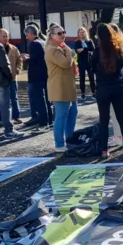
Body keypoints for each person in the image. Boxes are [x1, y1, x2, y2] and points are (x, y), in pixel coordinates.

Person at [92, 23, 123, 157]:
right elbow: (121, 65)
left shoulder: (97, 51)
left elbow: (91, 67)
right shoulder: (117, 50)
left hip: (102, 88)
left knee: (103, 120)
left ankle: (104, 150)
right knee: (122, 117)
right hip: (117, 86)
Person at [45, 24, 78, 153]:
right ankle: (59, 144)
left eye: (63, 32)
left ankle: (69, 139)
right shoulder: (52, 49)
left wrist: (68, 52)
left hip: (67, 86)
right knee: (61, 116)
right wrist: (70, 53)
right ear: (52, 35)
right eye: (59, 33)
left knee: (73, 113)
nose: (63, 35)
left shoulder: (62, 47)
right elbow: (65, 63)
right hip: (60, 87)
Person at [23, 24, 51, 130]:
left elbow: (33, 60)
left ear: (30, 33)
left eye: (27, 34)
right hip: (45, 74)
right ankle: (49, 120)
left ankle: (43, 122)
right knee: (47, 99)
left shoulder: (33, 44)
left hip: (35, 76)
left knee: (39, 99)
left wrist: (26, 58)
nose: (26, 37)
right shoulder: (43, 42)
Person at [0, 28, 23, 126]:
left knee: (14, 98)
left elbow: (19, 60)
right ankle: (0, 118)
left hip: (12, 77)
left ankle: (16, 116)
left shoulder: (13, 48)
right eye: (4, 36)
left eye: (7, 36)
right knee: (1, 99)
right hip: (0, 79)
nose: (6, 38)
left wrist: (17, 69)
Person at [75, 27, 96, 100]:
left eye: (83, 32)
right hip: (81, 62)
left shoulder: (89, 41)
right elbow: (77, 50)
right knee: (82, 78)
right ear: (78, 33)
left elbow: (92, 49)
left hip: (89, 61)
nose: (81, 33)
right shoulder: (77, 42)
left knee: (91, 77)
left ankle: (94, 92)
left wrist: (83, 49)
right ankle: (83, 93)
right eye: (80, 32)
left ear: (85, 33)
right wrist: (87, 50)